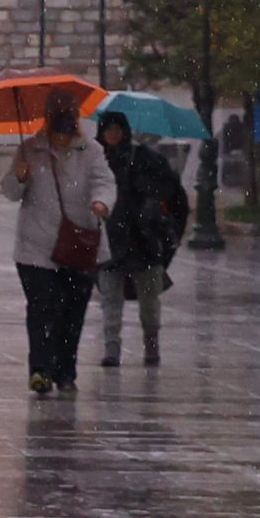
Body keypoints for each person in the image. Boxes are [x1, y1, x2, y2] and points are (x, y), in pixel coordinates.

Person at [3, 87, 116, 396]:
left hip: (79, 244)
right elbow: (11, 192)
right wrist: (19, 176)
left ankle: (65, 370)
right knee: (41, 309)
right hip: (36, 247)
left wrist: (101, 202)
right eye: (57, 111)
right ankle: (40, 369)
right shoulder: (30, 149)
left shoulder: (91, 151)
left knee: (72, 312)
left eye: (68, 110)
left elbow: (104, 181)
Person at [93, 112, 190, 368]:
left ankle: (151, 344)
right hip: (108, 242)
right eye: (108, 130)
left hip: (143, 242)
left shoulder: (147, 159)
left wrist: (153, 213)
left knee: (149, 301)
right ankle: (111, 348)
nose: (113, 135)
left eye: (117, 129)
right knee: (110, 300)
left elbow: (173, 195)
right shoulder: (95, 160)